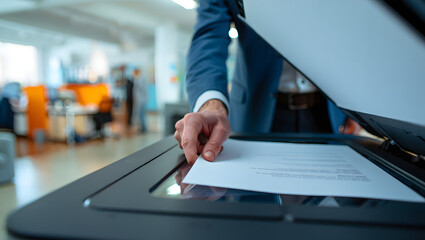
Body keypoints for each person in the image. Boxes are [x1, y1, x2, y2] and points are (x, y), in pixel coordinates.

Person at [174, 0, 354, 165]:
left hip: (330, 114)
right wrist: (211, 106)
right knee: (250, 197)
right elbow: (209, 37)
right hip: (255, 114)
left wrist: (362, 108)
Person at [132, 68, 148, 133]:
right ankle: (141, 127)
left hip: (142, 99)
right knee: (139, 115)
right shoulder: (137, 79)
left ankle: (144, 128)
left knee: (142, 115)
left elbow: (142, 89)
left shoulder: (141, 79)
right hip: (139, 100)